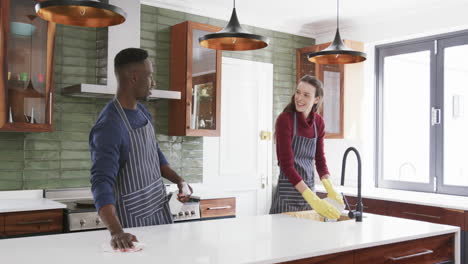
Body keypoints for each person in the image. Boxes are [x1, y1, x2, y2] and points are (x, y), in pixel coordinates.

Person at [89, 48, 192, 251]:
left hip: (160, 215)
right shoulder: (110, 124)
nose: (153, 82)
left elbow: (156, 154)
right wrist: (117, 232)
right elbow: (101, 183)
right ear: (134, 77)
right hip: (134, 227)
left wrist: (179, 180)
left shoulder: (143, 112)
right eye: (150, 75)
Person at [270, 75, 343, 219]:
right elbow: (286, 165)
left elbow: (320, 160)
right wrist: (313, 198)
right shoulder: (285, 120)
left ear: (316, 99)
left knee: (306, 240)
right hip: (287, 196)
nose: (299, 98)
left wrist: (330, 188)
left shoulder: (318, 122)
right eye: (298, 92)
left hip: (309, 195)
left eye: (306, 95)